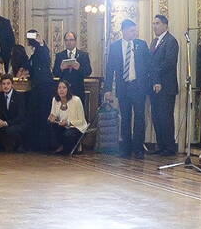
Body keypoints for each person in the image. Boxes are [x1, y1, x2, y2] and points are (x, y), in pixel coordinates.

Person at [101, 17, 152, 159]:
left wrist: (153, 82)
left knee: (140, 117)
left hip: (138, 87)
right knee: (125, 118)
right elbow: (110, 69)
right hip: (124, 87)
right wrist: (108, 90)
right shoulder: (115, 47)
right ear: (123, 31)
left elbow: (149, 66)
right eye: (131, 30)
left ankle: (138, 148)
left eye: (135, 30)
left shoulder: (141, 45)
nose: (134, 33)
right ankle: (126, 148)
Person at [148, 13, 181, 156]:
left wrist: (157, 79)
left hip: (166, 86)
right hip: (154, 85)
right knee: (156, 116)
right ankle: (160, 145)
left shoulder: (171, 41)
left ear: (165, 25)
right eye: (154, 23)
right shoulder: (154, 42)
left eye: (157, 23)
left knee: (165, 117)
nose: (154, 26)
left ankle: (169, 147)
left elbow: (168, 63)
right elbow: (151, 63)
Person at [24, 29, 53, 151]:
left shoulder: (43, 49)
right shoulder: (34, 52)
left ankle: (45, 145)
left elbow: (45, 61)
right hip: (36, 87)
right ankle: (36, 144)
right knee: (35, 115)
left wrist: (41, 43)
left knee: (43, 114)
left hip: (44, 88)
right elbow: (33, 67)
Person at [47, 78, 89, 156]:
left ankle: (72, 147)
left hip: (75, 126)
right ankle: (60, 146)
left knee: (68, 134)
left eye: (64, 87)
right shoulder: (55, 100)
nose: (61, 90)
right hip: (61, 125)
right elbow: (53, 115)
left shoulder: (76, 100)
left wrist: (68, 122)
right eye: (59, 88)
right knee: (50, 125)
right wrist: (52, 118)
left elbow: (81, 121)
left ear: (68, 89)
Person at [0, 75, 23, 152]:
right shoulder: (1, 95)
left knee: (10, 130)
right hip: (4, 121)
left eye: (8, 83)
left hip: (16, 123)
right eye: (4, 84)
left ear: (12, 84)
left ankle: (16, 147)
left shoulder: (18, 96)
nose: (6, 86)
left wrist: (6, 123)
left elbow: (20, 117)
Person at [54, 32, 92, 102]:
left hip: (78, 90)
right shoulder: (59, 55)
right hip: (63, 91)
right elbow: (55, 72)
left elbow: (88, 72)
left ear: (75, 41)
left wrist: (79, 68)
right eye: (66, 40)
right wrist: (61, 69)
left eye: (71, 40)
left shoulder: (83, 55)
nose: (69, 42)